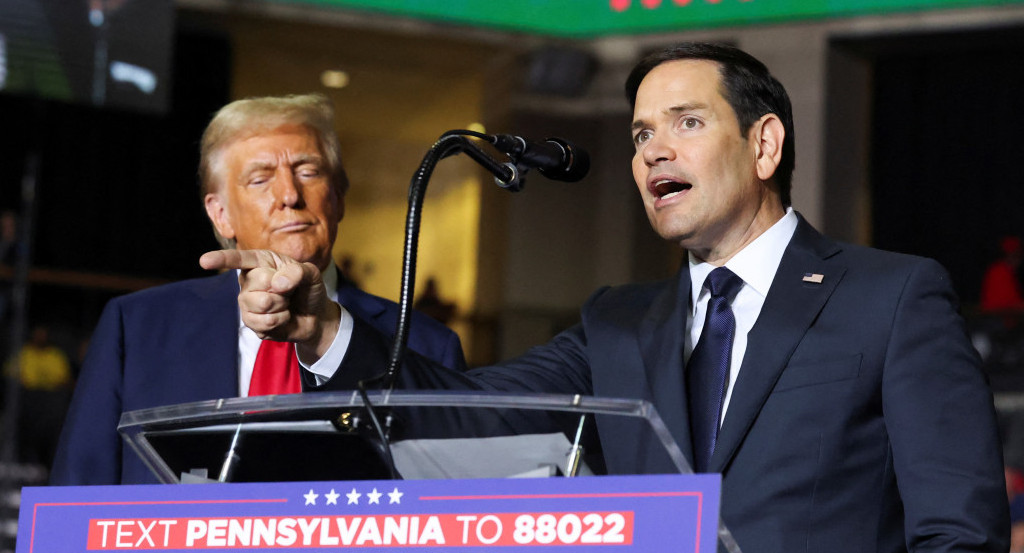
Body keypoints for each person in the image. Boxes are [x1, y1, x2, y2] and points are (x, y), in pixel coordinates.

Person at [204, 44, 1009, 551]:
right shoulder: (617, 323)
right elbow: (457, 412)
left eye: (686, 122)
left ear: (764, 144)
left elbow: (959, 532)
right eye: (639, 135)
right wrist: (322, 326)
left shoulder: (892, 296)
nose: (654, 149)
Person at [50, 94, 467, 485]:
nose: (289, 195)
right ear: (221, 215)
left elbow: (449, 508)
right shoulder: (137, 328)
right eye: (260, 179)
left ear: (338, 197)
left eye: (308, 171)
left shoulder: (427, 346)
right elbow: (76, 496)